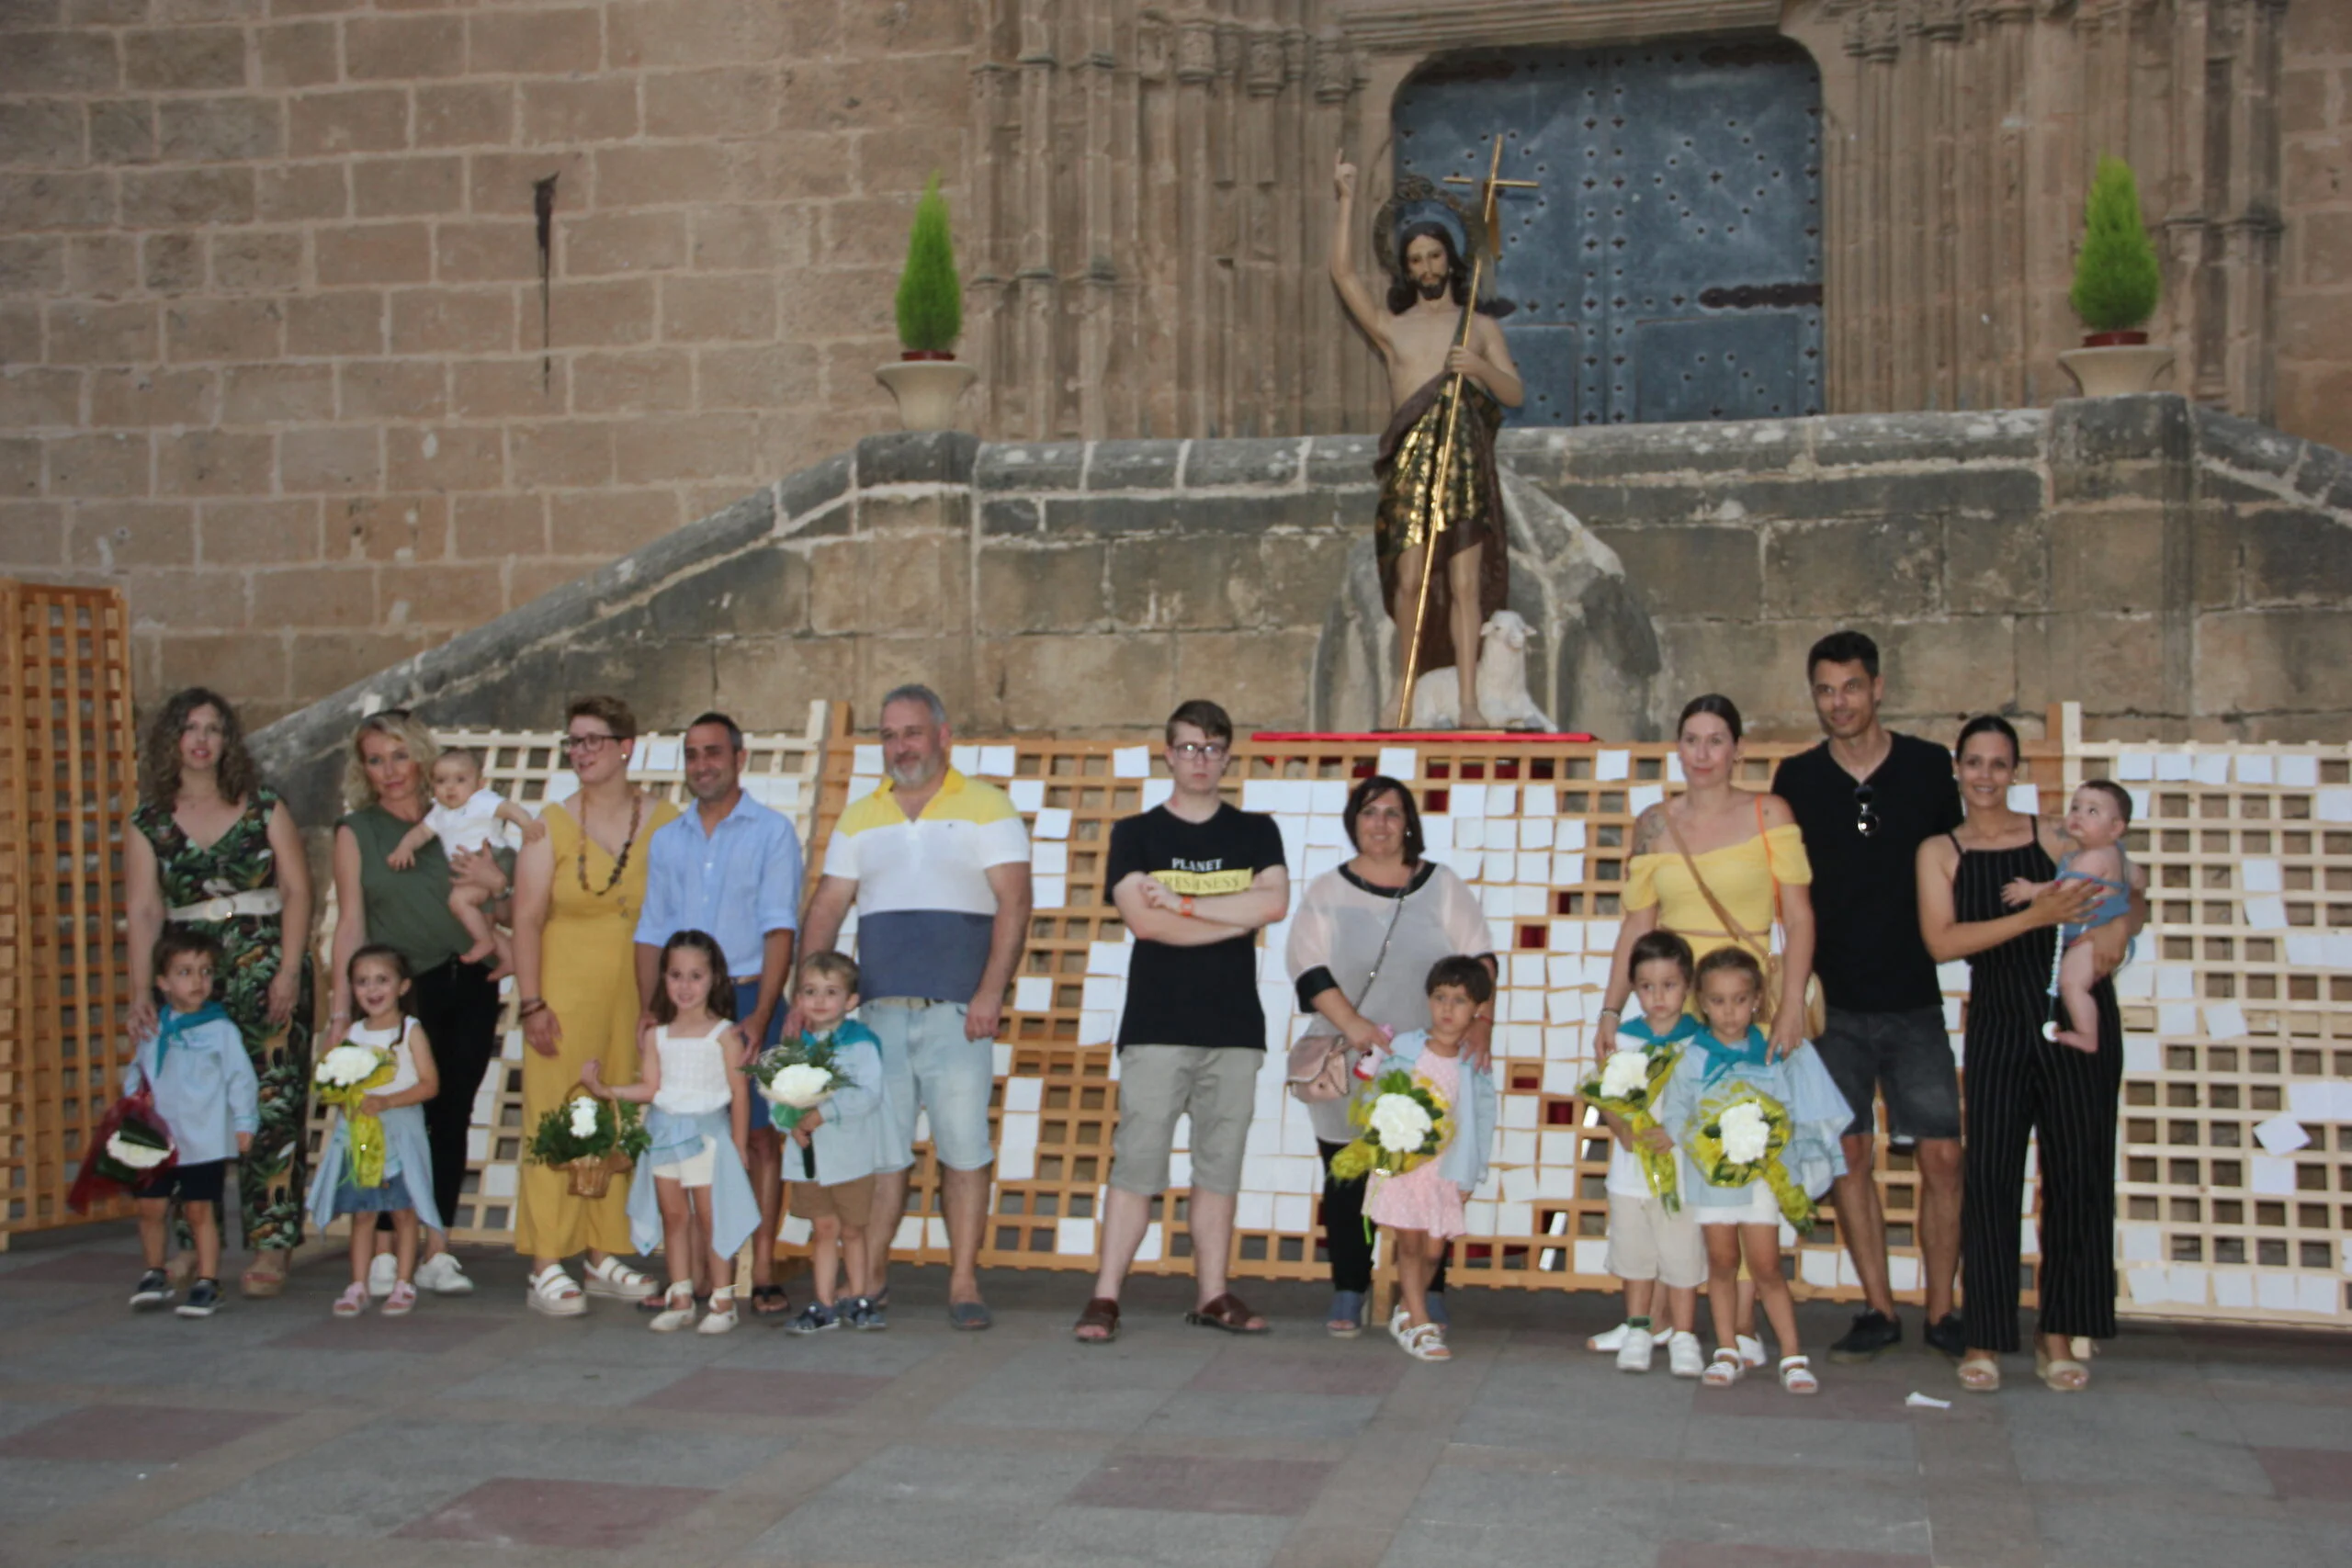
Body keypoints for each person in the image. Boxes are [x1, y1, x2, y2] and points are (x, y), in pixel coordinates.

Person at [797, 683, 1031, 1330]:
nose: (900, 746)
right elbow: (825, 907)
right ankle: (869, 1280)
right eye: (889, 734)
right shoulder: (859, 815)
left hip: (960, 1013)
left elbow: (1014, 903)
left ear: (943, 735)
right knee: (881, 1153)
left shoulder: (988, 805)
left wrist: (990, 992)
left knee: (963, 1151)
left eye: (912, 732)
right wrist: (804, 998)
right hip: (875, 1020)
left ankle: (962, 1282)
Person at [1918, 716, 2141, 1394]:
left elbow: (2125, 880)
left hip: (2074, 1012)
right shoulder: (1940, 850)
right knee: (1990, 1179)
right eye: (1974, 762)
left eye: (1998, 763)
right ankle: (1984, 1333)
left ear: (2014, 771)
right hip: (1998, 1021)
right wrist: (2034, 917)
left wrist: (2122, 929)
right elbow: (1944, 942)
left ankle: (2058, 1330)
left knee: (2077, 1174)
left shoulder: (2053, 832)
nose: (1985, 775)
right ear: (1956, 768)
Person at [1596, 693, 1815, 1371]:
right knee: (1664, 1155)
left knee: (1737, 1158)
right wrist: (1610, 1010)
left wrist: (1789, 1008)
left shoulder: (1768, 811)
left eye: (1716, 739)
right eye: (1690, 738)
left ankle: (1739, 1324)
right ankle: (1654, 1316)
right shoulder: (1656, 821)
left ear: (1737, 749)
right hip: (1671, 1010)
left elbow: (1801, 917)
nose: (1702, 752)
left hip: (1739, 1008)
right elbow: (1637, 923)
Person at [1768, 630, 1967, 1361]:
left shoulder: (1926, 767)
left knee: (1943, 1156)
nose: (1838, 702)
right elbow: (1785, 890)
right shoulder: (1797, 777)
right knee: (1850, 1154)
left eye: (1850, 686)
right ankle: (1878, 1308)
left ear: (1877, 687)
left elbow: (1968, 854)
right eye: (1824, 689)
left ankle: (1944, 1311)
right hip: (1834, 1002)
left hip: (1916, 995)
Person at [1074, 700, 1289, 1344]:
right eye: (1189, 747)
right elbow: (1145, 923)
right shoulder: (1136, 832)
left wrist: (1188, 902)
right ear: (1168, 753)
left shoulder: (1255, 830)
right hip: (1157, 1024)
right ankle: (1106, 1296)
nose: (1201, 759)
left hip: (1233, 1028)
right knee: (1137, 1162)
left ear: (1228, 755)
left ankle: (1213, 1293)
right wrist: (1230, 913)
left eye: (1213, 748)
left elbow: (1273, 904)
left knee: (1218, 1166)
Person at [1283, 774, 1493, 1337]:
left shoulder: (1441, 885)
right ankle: (1349, 1289)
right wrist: (1356, 1028)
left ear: (1409, 823)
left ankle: (1426, 1291)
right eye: (1369, 812)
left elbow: (1479, 960)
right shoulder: (1328, 889)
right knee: (1349, 1175)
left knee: (1427, 1176)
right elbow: (1305, 964)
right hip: (1350, 1061)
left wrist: (1482, 1026)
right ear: (1354, 821)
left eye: (1393, 813)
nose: (1381, 823)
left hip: (1426, 1065)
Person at [125, 687, 313, 1299]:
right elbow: (145, 908)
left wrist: (288, 969)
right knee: (181, 1108)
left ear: (228, 740)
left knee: (274, 1101)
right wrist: (140, 994)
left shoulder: (262, 805)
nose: (202, 739)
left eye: (213, 728)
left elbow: (297, 889)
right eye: (189, 728)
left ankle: (272, 1240)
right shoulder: (148, 820)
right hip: (186, 981)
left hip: (264, 971)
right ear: (170, 741)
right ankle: (186, 1242)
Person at [1329, 152, 1524, 728]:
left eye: (1435, 255)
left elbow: (1513, 393)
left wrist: (1479, 369)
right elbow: (1343, 276)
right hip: (1412, 464)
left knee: (1466, 582)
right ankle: (1403, 692)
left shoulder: (1479, 327)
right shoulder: (1394, 330)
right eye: (1416, 259)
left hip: (1463, 461)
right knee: (1409, 578)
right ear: (1406, 268)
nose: (1427, 266)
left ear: (1452, 259)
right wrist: (1346, 199)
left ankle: (1468, 702)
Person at [328, 708, 508, 1299]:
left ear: (422, 756)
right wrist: (340, 1014)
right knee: (392, 1117)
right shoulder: (358, 831)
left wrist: (499, 881)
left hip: (471, 979)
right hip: (402, 993)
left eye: (400, 756)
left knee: (451, 1114)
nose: (391, 771)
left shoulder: (465, 814)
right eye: (376, 760)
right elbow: (351, 923)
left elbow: (508, 906)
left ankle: (435, 1248)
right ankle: (383, 1245)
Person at [510, 695, 676, 1316]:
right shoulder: (547, 824)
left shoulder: (665, 819)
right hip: (562, 989)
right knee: (556, 1116)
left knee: (619, 1118)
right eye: (573, 742)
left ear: (626, 746)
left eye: (593, 740)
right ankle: (546, 1258)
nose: (581, 752)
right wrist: (531, 1002)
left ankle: (605, 1248)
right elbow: (525, 917)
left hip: (635, 994)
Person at [634, 712, 803, 1318]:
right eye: (692, 754)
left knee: (757, 1138)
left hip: (751, 995)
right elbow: (651, 932)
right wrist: (649, 1013)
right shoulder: (668, 838)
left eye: (713, 752)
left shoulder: (773, 832)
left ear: (739, 756)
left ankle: (760, 1266)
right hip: (681, 1008)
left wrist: (760, 1015)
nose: (702, 764)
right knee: (684, 1133)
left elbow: (781, 925)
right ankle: (701, 1274)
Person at [1657, 947, 1849, 1395]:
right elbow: (1677, 1114)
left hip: (1761, 1181)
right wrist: (1706, 1145)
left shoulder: (1774, 1052)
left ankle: (1793, 1354)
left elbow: (1789, 1111)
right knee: (1721, 1263)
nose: (1729, 1011)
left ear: (1758, 999)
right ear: (1702, 1003)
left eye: (1740, 1000)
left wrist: (1772, 1151)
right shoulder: (1692, 1057)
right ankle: (1726, 1348)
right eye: (1719, 1001)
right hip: (1711, 1181)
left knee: (1766, 1267)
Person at [588, 929, 757, 1336]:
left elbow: (739, 1094)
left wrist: (739, 1145)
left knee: (711, 1220)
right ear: (663, 978)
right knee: (674, 1217)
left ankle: (722, 1297)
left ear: (715, 979)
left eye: (695, 976)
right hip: (664, 1137)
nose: (685, 986)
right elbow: (650, 1088)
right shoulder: (656, 1036)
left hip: (708, 1139)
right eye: (676, 975)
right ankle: (680, 1295)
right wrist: (605, 1090)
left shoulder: (726, 1035)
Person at [1362, 956, 1499, 1363]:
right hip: (1404, 1168)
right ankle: (1420, 1325)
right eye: (1440, 997)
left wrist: (1474, 1171)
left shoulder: (1473, 1061)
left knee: (1435, 1250)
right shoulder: (1404, 1047)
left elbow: (1482, 1118)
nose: (1447, 1009)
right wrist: (1381, 1157)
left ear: (1477, 1010)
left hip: (1446, 1170)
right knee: (1409, 1243)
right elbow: (1377, 1097)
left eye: (1459, 1000)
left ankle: (1408, 1309)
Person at [1589, 931, 1707, 1378]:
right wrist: (1622, 1128)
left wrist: (1676, 1133)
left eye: (1670, 985)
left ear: (1689, 984)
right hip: (1630, 1173)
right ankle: (1639, 1329)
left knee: (1681, 1258)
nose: (1658, 997)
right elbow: (1604, 1095)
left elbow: (1709, 1102)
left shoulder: (1700, 1042)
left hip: (1681, 1175)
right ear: (1634, 988)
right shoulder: (1623, 1038)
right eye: (1647, 987)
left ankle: (1682, 1334)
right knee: (1635, 1257)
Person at [124, 931, 256, 1320]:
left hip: (204, 1137)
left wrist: (245, 1122)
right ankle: (154, 1271)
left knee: (200, 1211)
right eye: (185, 972)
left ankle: (208, 1279)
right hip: (156, 1136)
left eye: (205, 972)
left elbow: (240, 1079)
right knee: (151, 1208)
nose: (198, 981)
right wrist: (132, 1104)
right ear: (162, 983)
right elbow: (138, 1072)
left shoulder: (221, 1031)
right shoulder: (155, 1027)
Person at [309, 945, 442, 1319]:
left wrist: (387, 1102)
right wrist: (343, 1100)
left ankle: (403, 1281)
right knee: (363, 1212)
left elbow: (430, 1085)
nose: (372, 989)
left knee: (403, 1209)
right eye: (362, 982)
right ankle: (358, 1283)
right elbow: (336, 1082)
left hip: (399, 1132)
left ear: (402, 986)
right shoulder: (351, 1033)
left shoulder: (409, 1031)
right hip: (362, 1135)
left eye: (382, 980)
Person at [778, 953, 889, 1335]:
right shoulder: (795, 1047)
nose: (820, 1001)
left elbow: (868, 1095)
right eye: (810, 991)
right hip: (810, 1158)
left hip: (850, 1156)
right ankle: (823, 1303)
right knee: (823, 1229)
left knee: (853, 1229)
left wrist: (826, 1113)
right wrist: (789, 1122)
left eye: (831, 992)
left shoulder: (861, 1044)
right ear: (798, 1000)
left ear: (851, 1001)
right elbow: (780, 1095)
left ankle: (859, 1298)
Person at [2000, 780, 2138, 1051]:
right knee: (2073, 984)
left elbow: (2064, 892)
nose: (2078, 815)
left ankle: (2087, 1036)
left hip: (2091, 938)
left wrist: (2031, 891)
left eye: (2092, 811)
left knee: (2072, 984)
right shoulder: (2110, 854)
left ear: (2116, 828)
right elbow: (2136, 881)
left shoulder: (2093, 858)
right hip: (2092, 936)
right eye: (2075, 807)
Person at [386, 747, 545, 975]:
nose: (450, 787)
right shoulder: (439, 812)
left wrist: (526, 824)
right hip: (468, 869)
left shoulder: (480, 800)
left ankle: (486, 943)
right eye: (441, 781)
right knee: (478, 919)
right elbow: (420, 833)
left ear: (479, 784)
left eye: (460, 779)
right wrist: (404, 848)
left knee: (459, 901)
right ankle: (508, 956)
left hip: (494, 858)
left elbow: (509, 809)